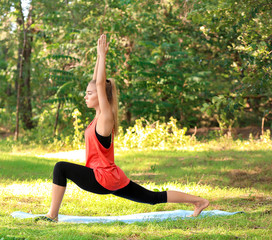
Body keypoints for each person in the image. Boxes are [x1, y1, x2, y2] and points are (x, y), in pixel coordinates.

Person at [36, 34, 209, 223]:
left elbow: (100, 84)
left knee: (60, 168)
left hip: (102, 178)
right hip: (111, 177)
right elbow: (97, 81)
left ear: (100, 96)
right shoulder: (98, 115)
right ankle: (199, 202)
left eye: (89, 94)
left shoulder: (105, 116)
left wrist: (102, 56)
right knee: (152, 198)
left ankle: (52, 215)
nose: (85, 97)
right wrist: (98, 56)